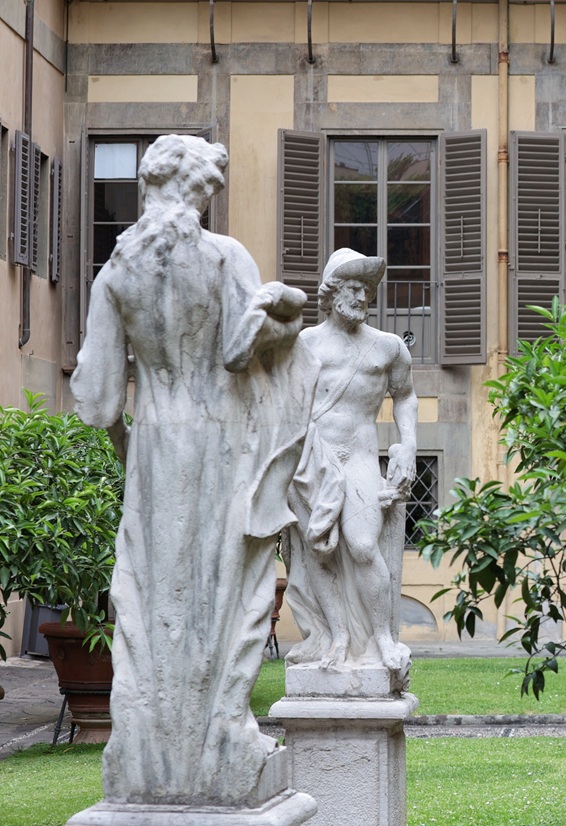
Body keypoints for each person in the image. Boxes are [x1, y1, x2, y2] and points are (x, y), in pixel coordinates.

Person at [71, 135, 315, 806]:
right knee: (226, 588)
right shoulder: (223, 256)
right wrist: (284, 321)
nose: (207, 202)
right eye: (206, 190)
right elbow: (244, 350)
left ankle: (148, 750)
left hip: (153, 448)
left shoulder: (114, 274)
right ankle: (220, 737)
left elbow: (93, 402)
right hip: (222, 440)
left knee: (152, 596)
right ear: (186, 187)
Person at [283, 248, 418, 683]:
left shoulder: (387, 347)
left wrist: (408, 447)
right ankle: (336, 637)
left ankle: (382, 639)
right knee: (317, 551)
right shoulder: (305, 344)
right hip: (312, 461)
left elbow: (406, 396)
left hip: (360, 456)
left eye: (368, 290)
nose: (363, 297)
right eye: (355, 288)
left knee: (362, 546)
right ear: (333, 293)